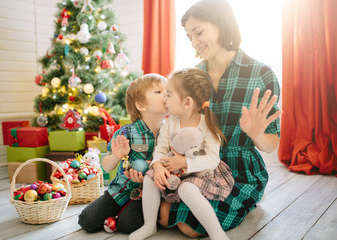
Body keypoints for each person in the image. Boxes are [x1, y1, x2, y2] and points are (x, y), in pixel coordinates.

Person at [157, 0, 282, 238]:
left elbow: (271, 144)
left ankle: (250, 197)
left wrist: (255, 133)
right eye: (189, 37)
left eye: (199, 32)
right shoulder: (192, 77)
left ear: (222, 25)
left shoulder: (261, 74)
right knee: (162, 216)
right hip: (200, 167)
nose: (194, 42)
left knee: (187, 226)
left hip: (241, 171)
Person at [129, 68, 235, 240]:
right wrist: (157, 166)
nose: (164, 98)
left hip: (201, 172)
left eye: (169, 95)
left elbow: (213, 159)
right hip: (173, 171)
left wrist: (185, 163)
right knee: (150, 178)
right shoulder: (170, 124)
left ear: (187, 102)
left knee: (187, 188)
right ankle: (149, 226)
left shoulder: (206, 123)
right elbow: (161, 149)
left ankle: (217, 234)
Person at [78, 73, 167, 233]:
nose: (166, 94)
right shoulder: (127, 132)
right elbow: (106, 167)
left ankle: (121, 218)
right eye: (158, 92)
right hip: (122, 190)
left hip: (149, 195)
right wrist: (116, 156)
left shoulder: (171, 131)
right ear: (141, 105)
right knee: (87, 220)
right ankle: (117, 215)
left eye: (167, 90)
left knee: (128, 224)